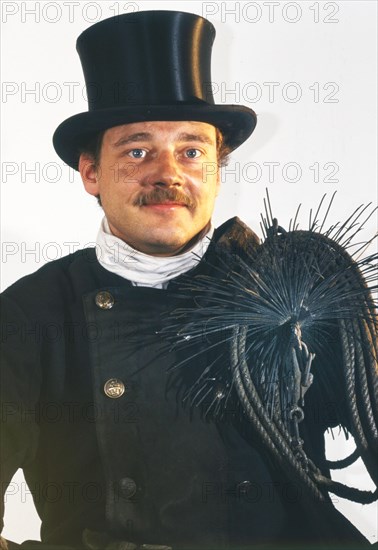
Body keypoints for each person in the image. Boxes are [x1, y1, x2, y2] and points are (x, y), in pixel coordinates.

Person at [1, 10, 376, 550]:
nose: (167, 174)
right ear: (90, 173)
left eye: (192, 150)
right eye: (137, 150)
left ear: (216, 170)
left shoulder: (298, 286)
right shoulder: (30, 313)